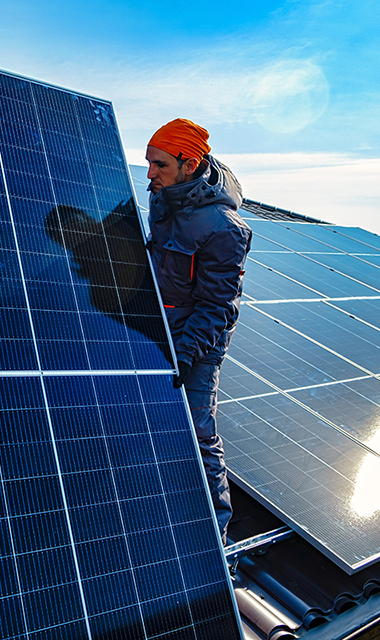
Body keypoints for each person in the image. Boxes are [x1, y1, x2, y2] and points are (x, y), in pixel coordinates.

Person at [144, 118, 252, 544]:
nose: (150, 173)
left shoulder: (225, 229)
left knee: (197, 432)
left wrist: (185, 354)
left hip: (196, 346)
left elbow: (217, 307)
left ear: (190, 165)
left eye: (160, 165)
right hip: (160, 327)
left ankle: (216, 538)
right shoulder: (163, 198)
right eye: (149, 163)